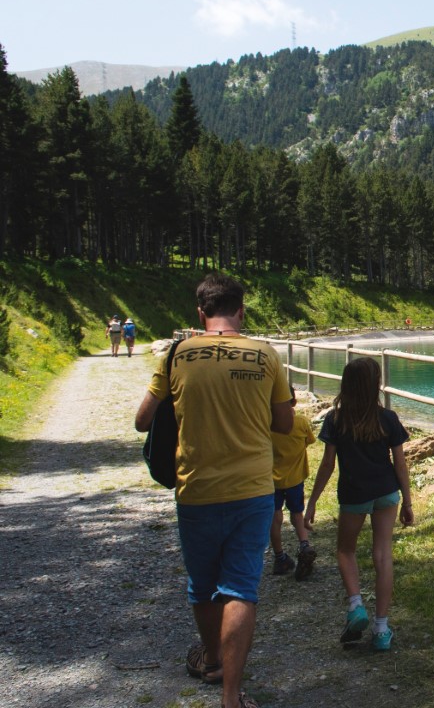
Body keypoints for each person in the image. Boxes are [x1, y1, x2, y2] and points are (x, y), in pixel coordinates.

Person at [134, 274, 293, 708]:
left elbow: (143, 420)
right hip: (253, 489)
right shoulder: (265, 355)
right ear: (241, 310)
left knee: (203, 587)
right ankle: (230, 697)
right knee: (241, 587)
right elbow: (283, 423)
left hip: (196, 488)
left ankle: (212, 661)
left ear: (200, 313)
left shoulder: (177, 355)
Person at [304, 357, 413, 652]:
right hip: (387, 493)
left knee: (345, 550)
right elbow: (400, 465)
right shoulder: (388, 419)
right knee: (382, 555)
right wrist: (408, 501)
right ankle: (381, 629)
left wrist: (312, 501)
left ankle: (356, 606)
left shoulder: (335, 420)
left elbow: (327, 464)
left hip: (354, 494)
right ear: (375, 385)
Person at [270, 386, 317, 580]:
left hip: (271, 480)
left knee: (274, 517)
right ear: (294, 402)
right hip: (295, 479)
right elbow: (309, 441)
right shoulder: (301, 422)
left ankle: (280, 556)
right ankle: (304, 545)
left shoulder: (266, 425)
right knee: (297, 513)